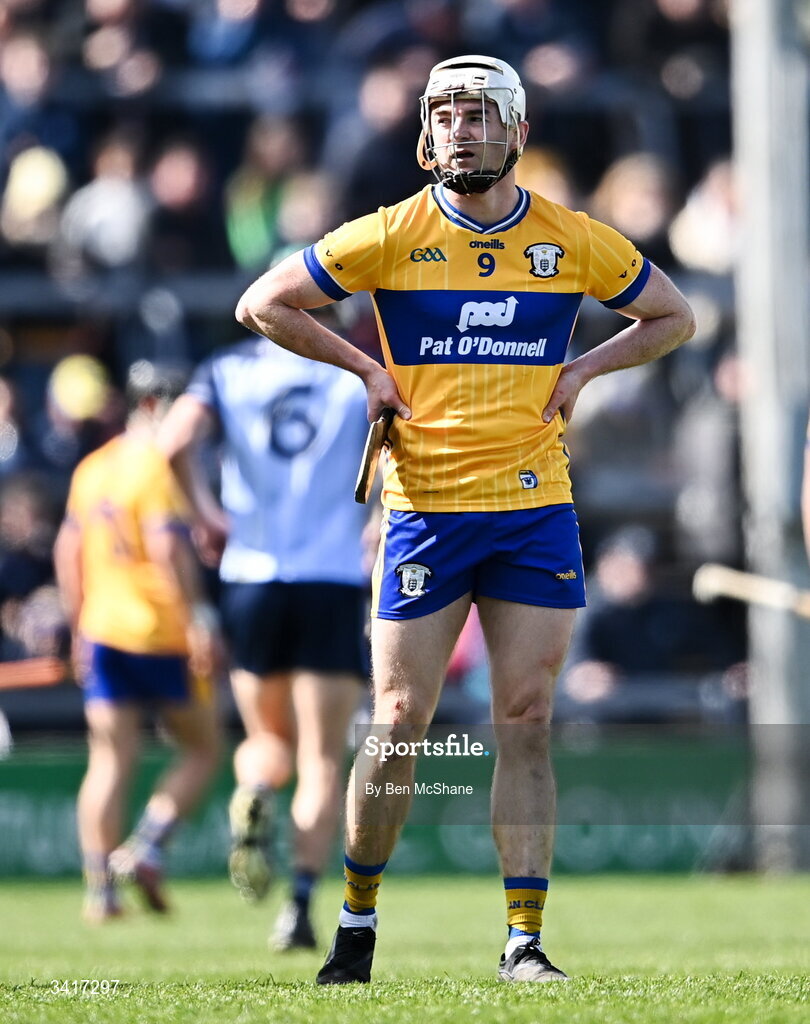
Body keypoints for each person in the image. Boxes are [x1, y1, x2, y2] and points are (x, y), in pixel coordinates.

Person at [234, 54, 696, 984]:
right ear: (423, 132)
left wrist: (580, 371)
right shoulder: (390, 232)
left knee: (525, 716)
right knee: (400, 720)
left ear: (518, 133)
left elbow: (672, 316)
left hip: (532, 511)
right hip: (426, 512)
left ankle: (524, 941)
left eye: (479, 114)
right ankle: (356, 922)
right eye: (444, 114)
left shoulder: (572, 238)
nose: (459, 129)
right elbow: (264, 303)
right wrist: (366, 367)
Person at [157, 316, 370, 951]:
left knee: (264, 740)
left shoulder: (226, 370)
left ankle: (252, 791)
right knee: (322, 758)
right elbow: (398, 453)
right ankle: (299, 906)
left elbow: (172, 443)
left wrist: (206, 515)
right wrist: (380, 520)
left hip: (251, 574)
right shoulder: (355, 369)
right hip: (329, 576)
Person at [53, 360, 223, 923]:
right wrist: (199, 618)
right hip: (162, 632)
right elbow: (170, 551)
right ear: (151, 405)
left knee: (109, 761)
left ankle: (99, 891)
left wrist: (80, 627)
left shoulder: (93, 467)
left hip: (104, 631)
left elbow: (67, 553)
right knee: (203, 748)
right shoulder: (160, 468)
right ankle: (147, 845)